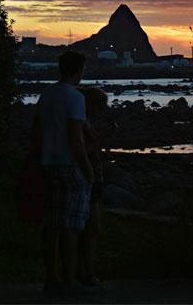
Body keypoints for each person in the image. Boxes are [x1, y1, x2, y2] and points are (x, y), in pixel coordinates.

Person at [32, 51, 94, 295]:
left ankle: (51, 278)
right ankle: (69, 281)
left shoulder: (46, 94)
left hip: (48, 164)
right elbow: (75, 137)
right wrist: (88, 168)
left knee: (51, 225)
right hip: (70, 166)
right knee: (72, 226)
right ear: (79, 70)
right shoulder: (75, 97)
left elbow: (35, 131)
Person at [76, 86, 110, 288]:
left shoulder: (83, 123)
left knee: (90, 228)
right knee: (91, 228)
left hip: (92, 177)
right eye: (100, 105)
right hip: (90, 178)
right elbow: (85, 148)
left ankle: (84, 270)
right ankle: (86, 272)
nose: (102, 110)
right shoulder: (81, 125)